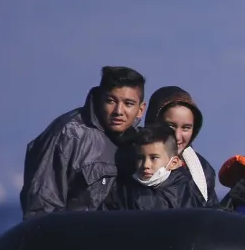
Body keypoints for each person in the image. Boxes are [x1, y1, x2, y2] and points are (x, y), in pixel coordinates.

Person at [21, 66, 146, 216]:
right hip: (74, 237)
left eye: (128, 103)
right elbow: (41, 208)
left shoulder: (142, 144)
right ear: (100, 99)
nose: (119, 111)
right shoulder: (68, 135)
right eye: (111, 101)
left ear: (140, 109)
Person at [102, 124, 207, 211]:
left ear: (173, 162)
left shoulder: (186, 190)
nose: (146, 165)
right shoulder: (122, 191)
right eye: (140, 158)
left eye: (154, 158)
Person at [145, 86, 218, 207]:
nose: (177, 136)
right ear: (153, 122)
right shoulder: (130, 160)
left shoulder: (203, 170)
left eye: (186, 128)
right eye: (171, 126)